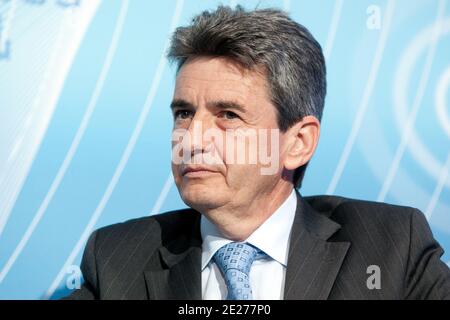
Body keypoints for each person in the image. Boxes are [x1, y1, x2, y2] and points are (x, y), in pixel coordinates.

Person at [65, 5, 450, 300]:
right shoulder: (118, 258)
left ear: (297, 143)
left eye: (228, 115)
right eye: (184, 113)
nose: (192, 139)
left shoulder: (391, 248)